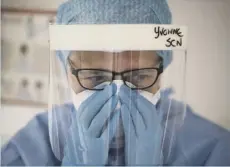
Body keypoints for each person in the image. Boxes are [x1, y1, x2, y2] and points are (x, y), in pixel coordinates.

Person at [1, 0, 230, 166]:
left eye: (139, 77)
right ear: (66, 69)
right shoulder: (30, 150)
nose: (117, 95)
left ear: (163, 65)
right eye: (94, 77)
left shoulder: (212, 149)